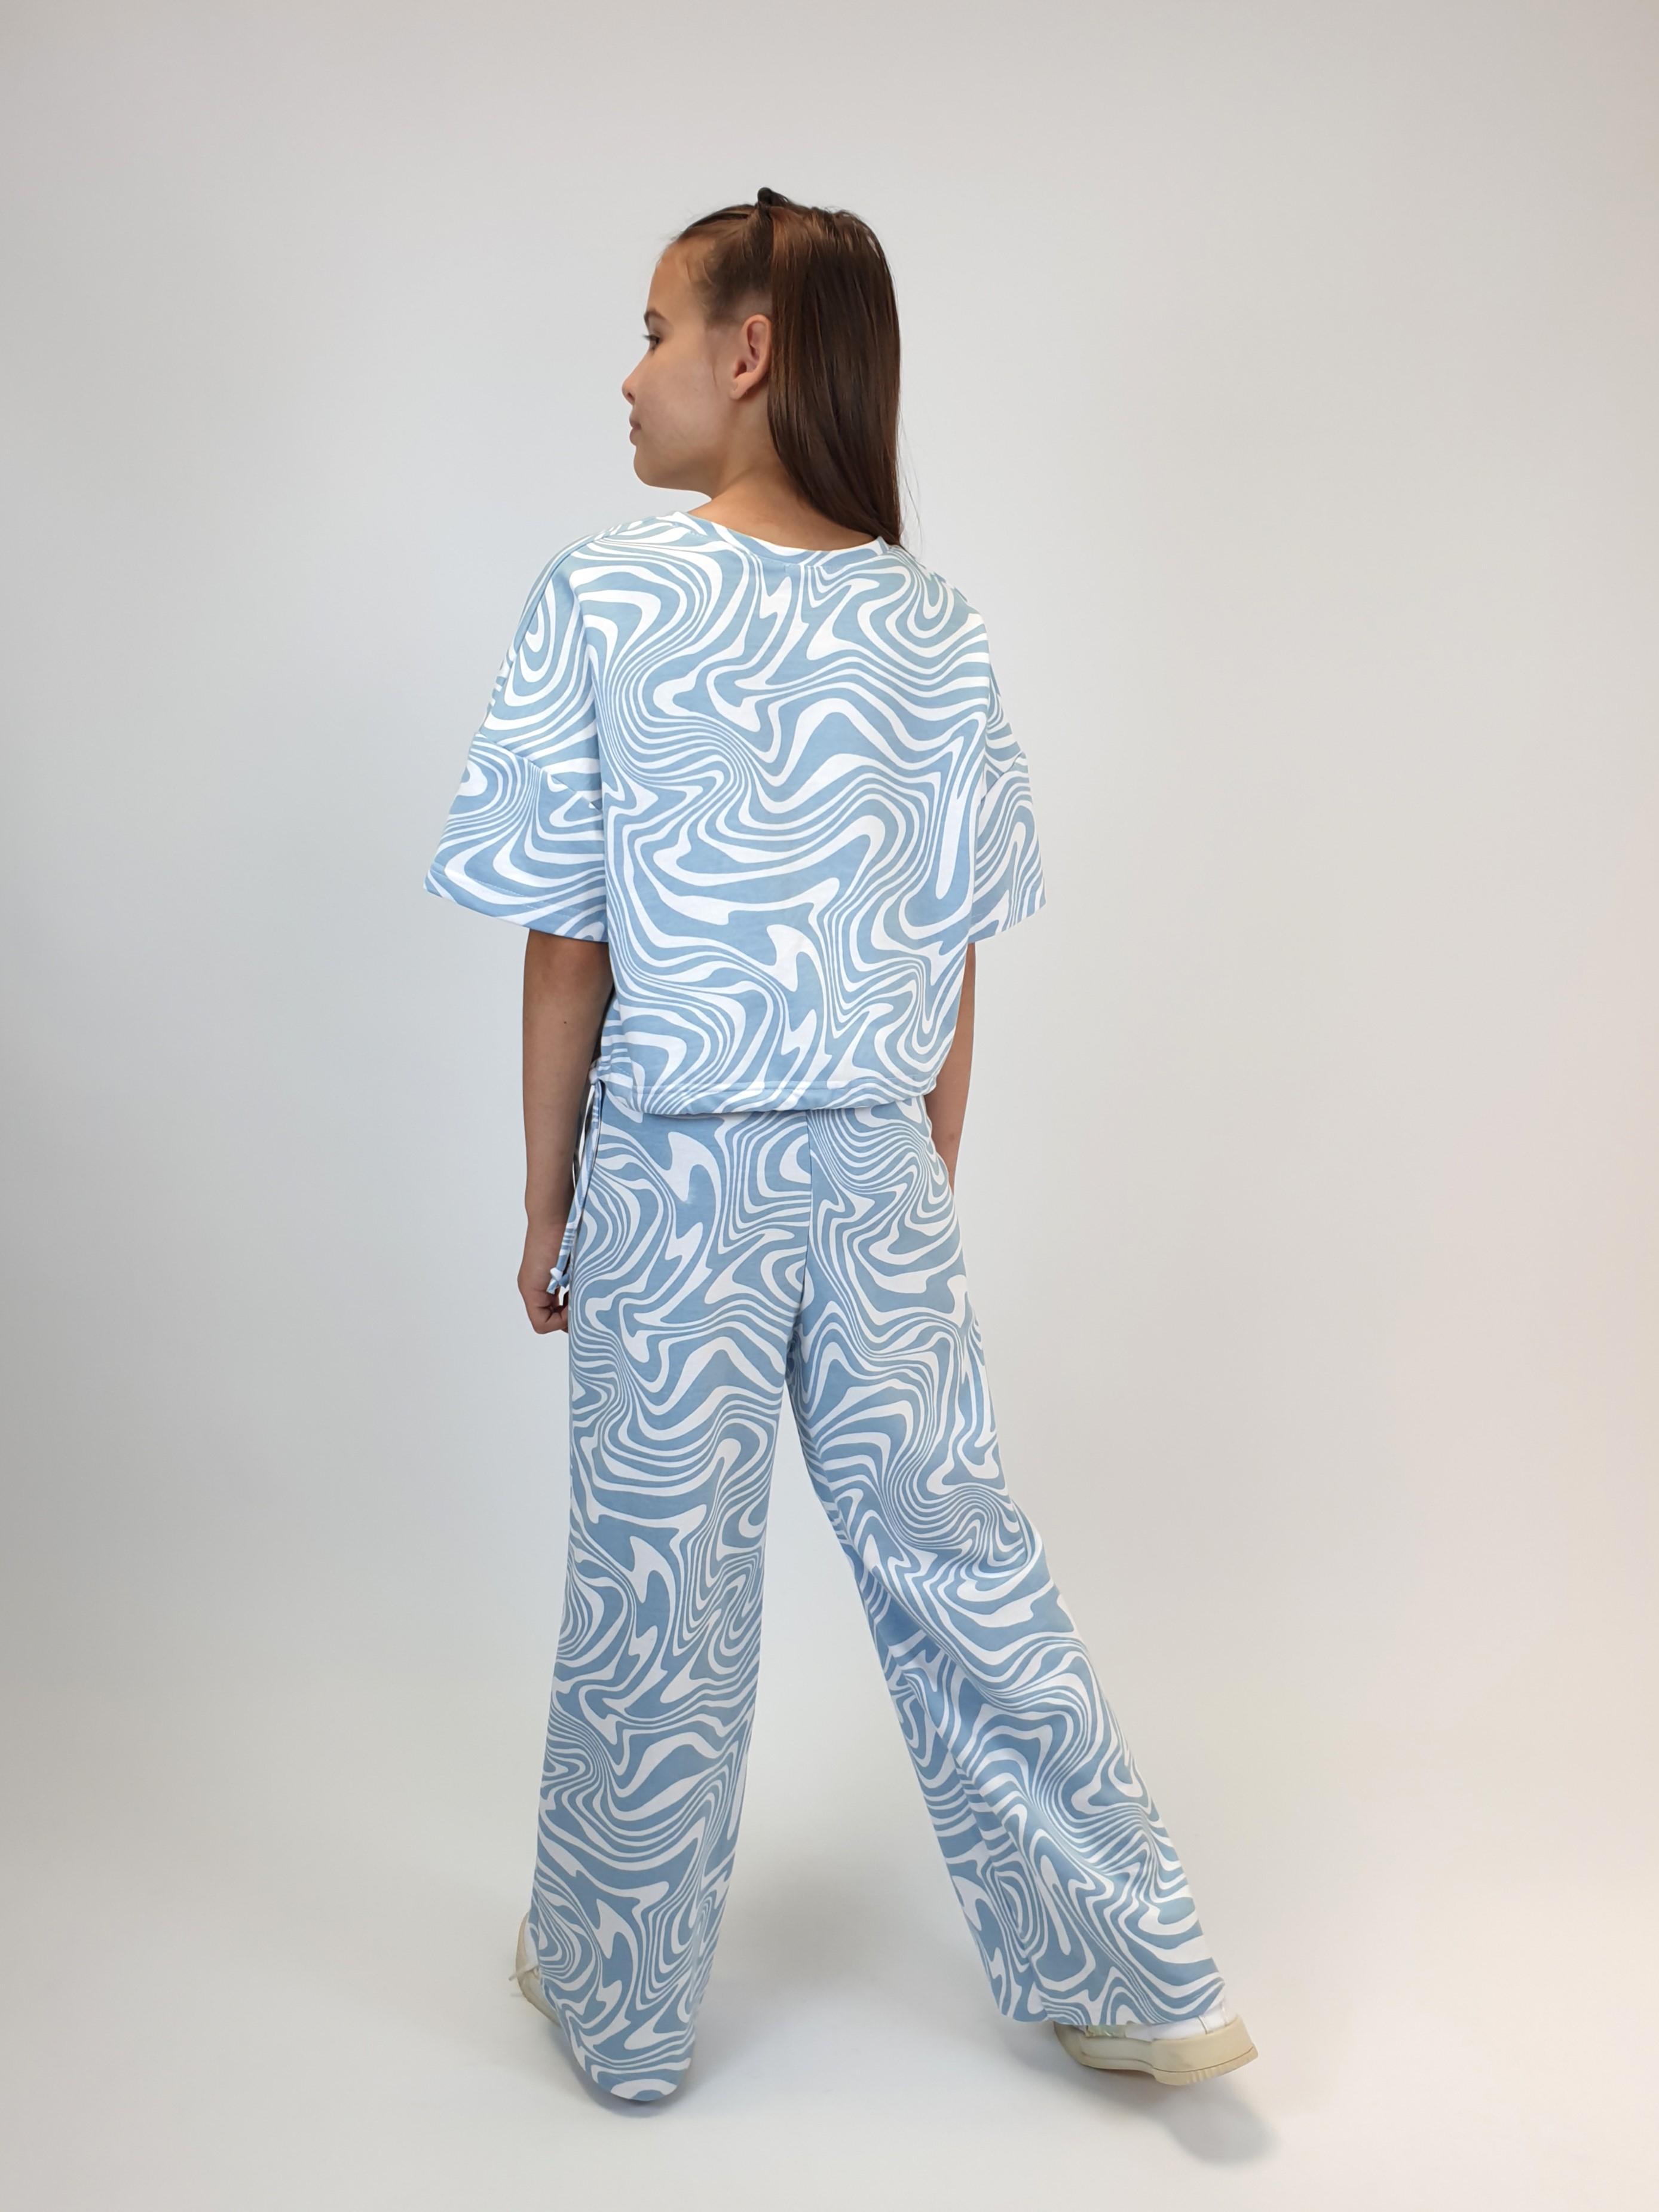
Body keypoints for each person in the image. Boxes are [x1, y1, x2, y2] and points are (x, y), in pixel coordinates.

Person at [424, 186, 1255, 2105]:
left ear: (750, 349)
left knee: (662, 1597)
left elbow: (569, 945)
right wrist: (911, 1190)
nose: (627, 376)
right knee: (963, 1565)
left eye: (653, 330)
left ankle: (621, 2008)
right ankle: (1140, 1975)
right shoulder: (937, 625)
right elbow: (951, 963)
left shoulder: (607, 595)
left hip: (679, 1172)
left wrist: (547, 1202)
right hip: (876, 1167)